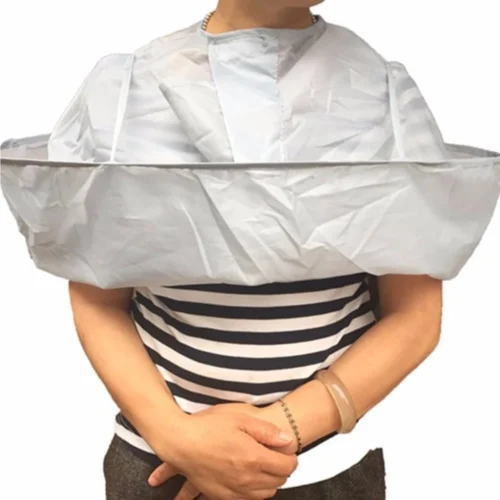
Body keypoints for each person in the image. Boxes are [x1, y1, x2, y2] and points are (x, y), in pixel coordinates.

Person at [54, 1, 443, 498]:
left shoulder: (380, 93)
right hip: (163, 465)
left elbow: (415, 315)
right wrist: (175, 436)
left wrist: (272, 436)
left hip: (325, 470)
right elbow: (97, 297)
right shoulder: (130, 93)